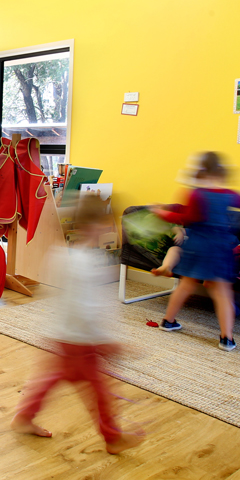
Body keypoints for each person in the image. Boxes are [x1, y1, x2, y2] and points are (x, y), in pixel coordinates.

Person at [10, 194, 144, 454]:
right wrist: (108, 342)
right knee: (99, 390)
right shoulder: (85, 264)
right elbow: (87, 309)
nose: (107, 230)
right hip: (80, 341)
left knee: (51, 380)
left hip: (63, 335)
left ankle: (23, 418)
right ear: (94, 226)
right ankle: (113, 437)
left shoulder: (62, 255)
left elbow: (61, 298)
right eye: (105, 224)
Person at [150, 152, 240, 351]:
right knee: (222, 293)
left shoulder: (195, 193)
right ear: (221, 174)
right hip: (220, 249)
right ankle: (227, 338)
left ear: (200, 173)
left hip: (197, 247)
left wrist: (163, 214)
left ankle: (168, 321)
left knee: (185, 285)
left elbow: (190, 218)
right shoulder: (230, 194)